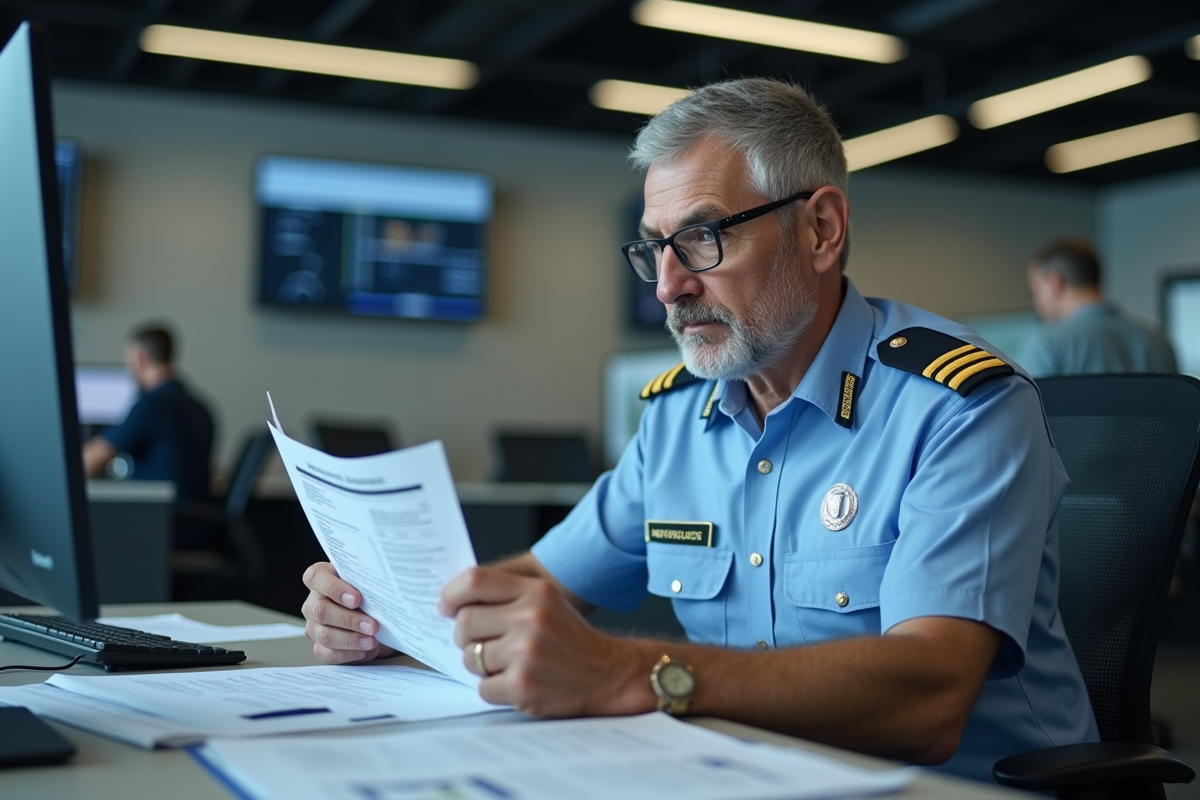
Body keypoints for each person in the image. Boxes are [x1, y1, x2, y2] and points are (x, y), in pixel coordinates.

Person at [300, 78, 1098, 783]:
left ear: (821, 230)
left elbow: (929, 697)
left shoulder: (959, 407)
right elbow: (541, 588)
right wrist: (388, 621)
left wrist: (634, 673)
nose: (670, 288)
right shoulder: (680, 417)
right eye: (655, 249)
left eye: (704, 238)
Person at [82, 323, 216, 519]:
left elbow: (90, 462)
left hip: (162, 524)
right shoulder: (201, 407)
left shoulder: (153, 404)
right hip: (193, 522)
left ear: (139, 358)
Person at [1022, 237, 1177, 377]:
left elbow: (1026, 407)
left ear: (1054, 283)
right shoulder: (1158, 340)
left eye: (1036, 291)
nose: (1037, 303)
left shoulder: (1047, 344)